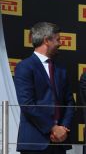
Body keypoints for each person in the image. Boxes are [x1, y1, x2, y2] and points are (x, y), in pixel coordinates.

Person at [14, 22, 75, 154]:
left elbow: (69, 102)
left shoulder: (61, 69)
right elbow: (27, 104)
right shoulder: (24, 67)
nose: (60, 43)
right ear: (47, 40)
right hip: (35, 143)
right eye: (57, 39)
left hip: (59, 143)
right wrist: (52, 128)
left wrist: (63, 128)